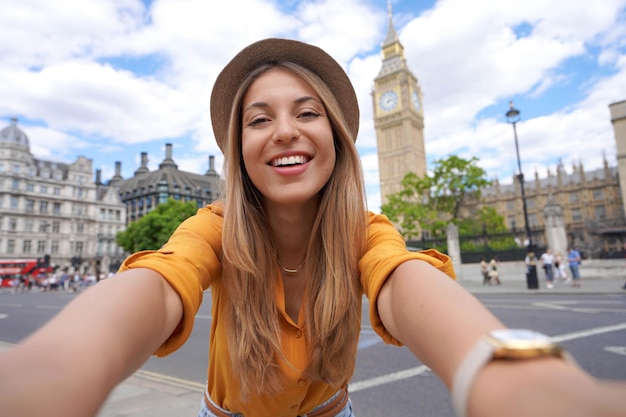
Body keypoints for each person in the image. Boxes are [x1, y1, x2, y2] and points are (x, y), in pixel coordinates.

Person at [1, 38, 625, 417]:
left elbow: (406, 282)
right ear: (238, 149)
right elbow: (161, 282)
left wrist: (521, 384)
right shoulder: (213, 227)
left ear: (337, 140)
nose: (285, 131)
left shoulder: (364, 231)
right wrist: (53, 370)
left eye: (307, 112)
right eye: (258, 118)